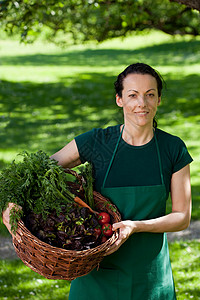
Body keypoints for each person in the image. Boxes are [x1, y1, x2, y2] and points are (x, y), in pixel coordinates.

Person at [3, 63, 192, 299]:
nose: (141, 103)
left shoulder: (172, 148)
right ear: (119, 100)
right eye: (132, 95)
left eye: (149, 95)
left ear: (159, 99)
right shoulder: (97, 142)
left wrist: (136, 226)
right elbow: (39, 171)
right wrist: (12, 203)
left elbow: (182, 217)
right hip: (97, 276)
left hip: (150, 278)